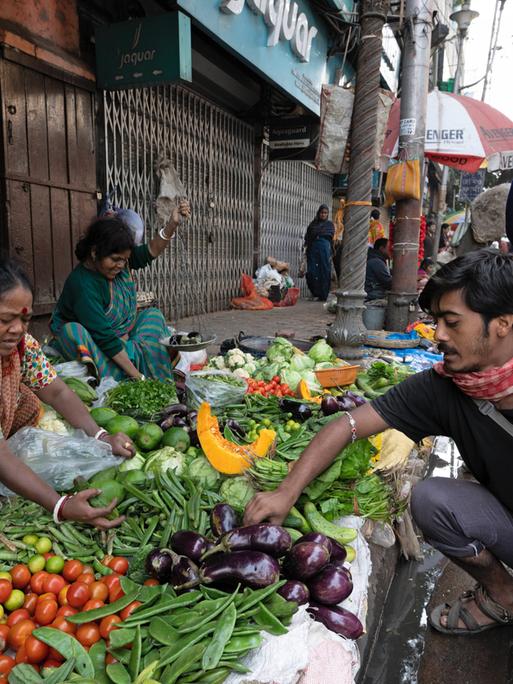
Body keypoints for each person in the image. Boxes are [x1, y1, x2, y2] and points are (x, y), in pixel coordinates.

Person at [245, 248, 513, 636]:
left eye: (452, 322)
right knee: (431, 500)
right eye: (436, 321)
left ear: (502, 323)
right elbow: (347, 426)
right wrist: (286, 492)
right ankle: (504, 593)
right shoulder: (444, 387)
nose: (438, 335)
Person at [0, 258, 135, 529]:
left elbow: (57, 392)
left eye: (24, 319)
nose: (17, 329)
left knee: (27, 397)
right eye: (5, 319)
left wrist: (101, 436)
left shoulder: (22, 346)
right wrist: (59, 505)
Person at [51, 201, 190, 381]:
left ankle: (134, 357)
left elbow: (151, 251)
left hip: (121, 338)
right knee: (73, 332)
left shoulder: (121, 262)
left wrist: (172, 224)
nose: (121, 265)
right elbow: (105, 340)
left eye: (125, 260)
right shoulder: (83, 285)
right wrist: (139, 378)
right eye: (115, 259)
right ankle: (131, 368)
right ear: (94, 252)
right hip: (96, 343)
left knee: (153, 316)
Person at [304, 204, 335, 302]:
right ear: (319, 213)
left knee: (324, 271)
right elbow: (308, 237)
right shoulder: (313, 224)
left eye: (325, 213)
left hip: (324, 249)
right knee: (312, 271)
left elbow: (330, 235)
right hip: (313, 249)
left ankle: (323, 295)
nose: (323, 215)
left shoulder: (329, 225)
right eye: (322, 213)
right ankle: (315, 292)